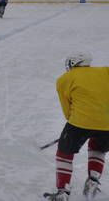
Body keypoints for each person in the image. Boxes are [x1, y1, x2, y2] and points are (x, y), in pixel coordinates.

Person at [43, 53, 109, 201]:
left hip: (80, 123)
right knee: (98, 148)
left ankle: (63, 192)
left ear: (73, 64)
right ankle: (92, 181)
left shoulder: (64, 79)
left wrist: (75, 123)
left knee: (64, 152)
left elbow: (67, 110)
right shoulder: (106, 71)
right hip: (107, 123)